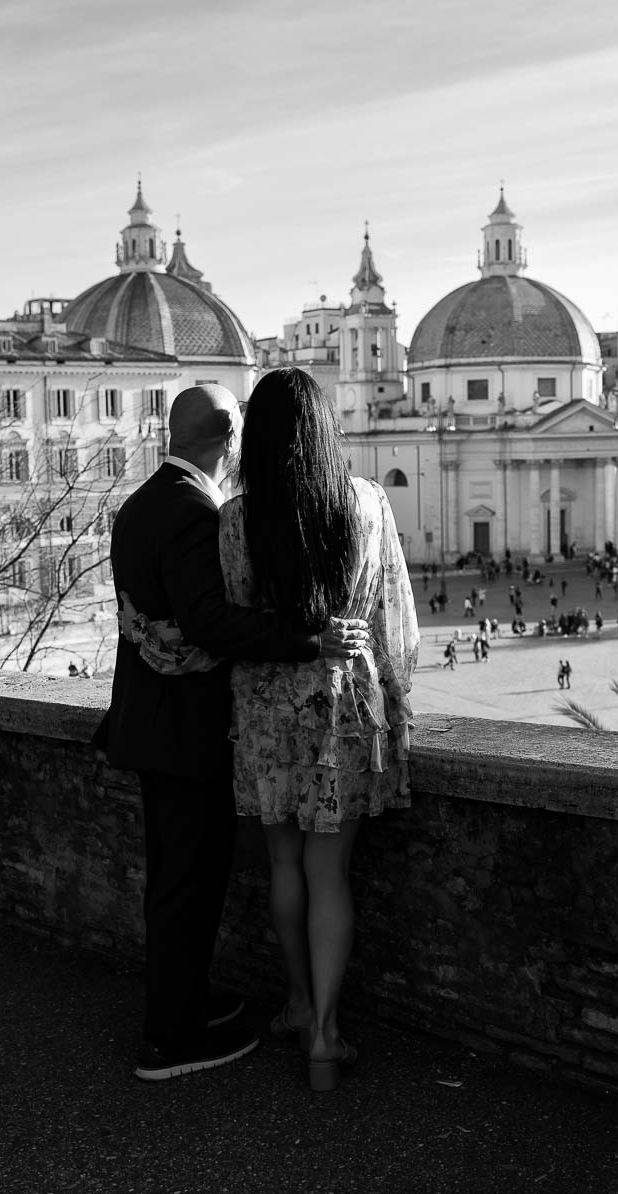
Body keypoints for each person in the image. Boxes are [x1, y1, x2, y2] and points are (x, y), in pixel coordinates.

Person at [126, 368, 418, 1093]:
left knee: (285, 870)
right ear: (325, 429)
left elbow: (225, 620)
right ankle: (326, 1035)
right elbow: (393, 624)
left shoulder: (235, 518)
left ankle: (294, 1005)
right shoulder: (369, 503)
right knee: (332, 875)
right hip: (343, 713)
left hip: (262, 721)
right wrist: (391, 698)